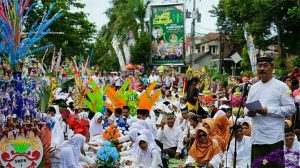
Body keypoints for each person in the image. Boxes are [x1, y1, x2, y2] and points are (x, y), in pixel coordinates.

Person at [245, 55, 296, 166]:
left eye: (265, 65)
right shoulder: (253, 88)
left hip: (274, 139)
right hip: (257, 139)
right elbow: (246, 108)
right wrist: (250, 112)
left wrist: (268, 110)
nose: (262, 68)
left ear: (272, 68)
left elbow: (291, 108)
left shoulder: (281, 86)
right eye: (259, 65)